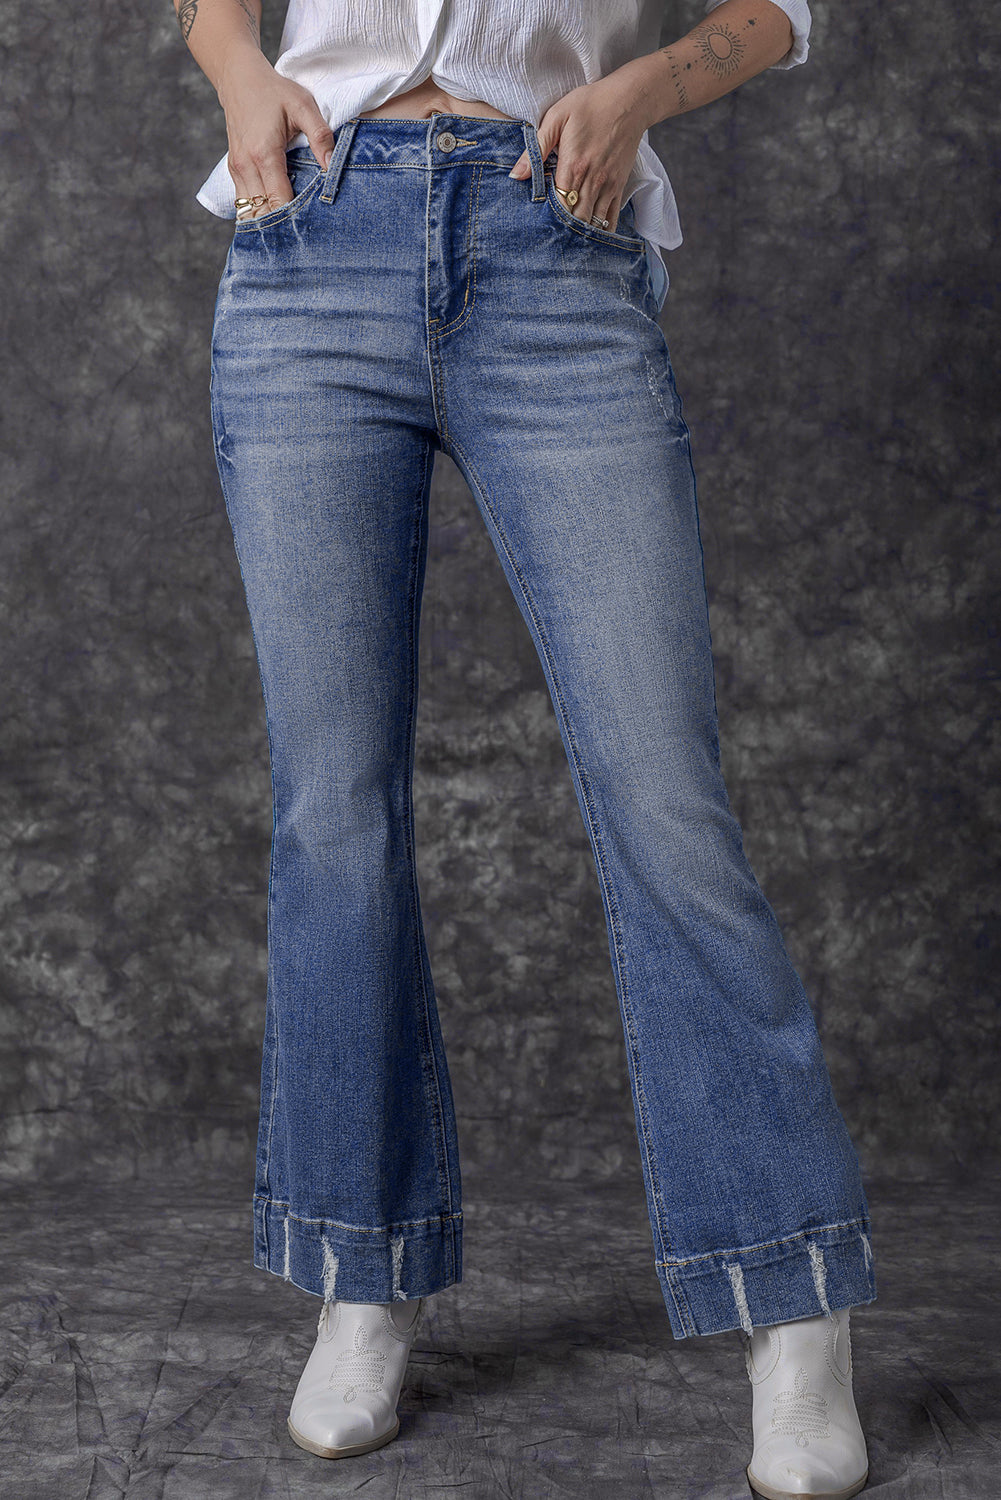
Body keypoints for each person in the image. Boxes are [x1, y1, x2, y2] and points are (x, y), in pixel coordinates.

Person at [177, 1, 877, 1494]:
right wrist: (237, 73)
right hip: (310, 244)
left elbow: (783, 8)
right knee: (332, 814)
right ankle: (359, 1273)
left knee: (665, 805)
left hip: (551, 239)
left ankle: (792, 1297)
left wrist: (638, 92)